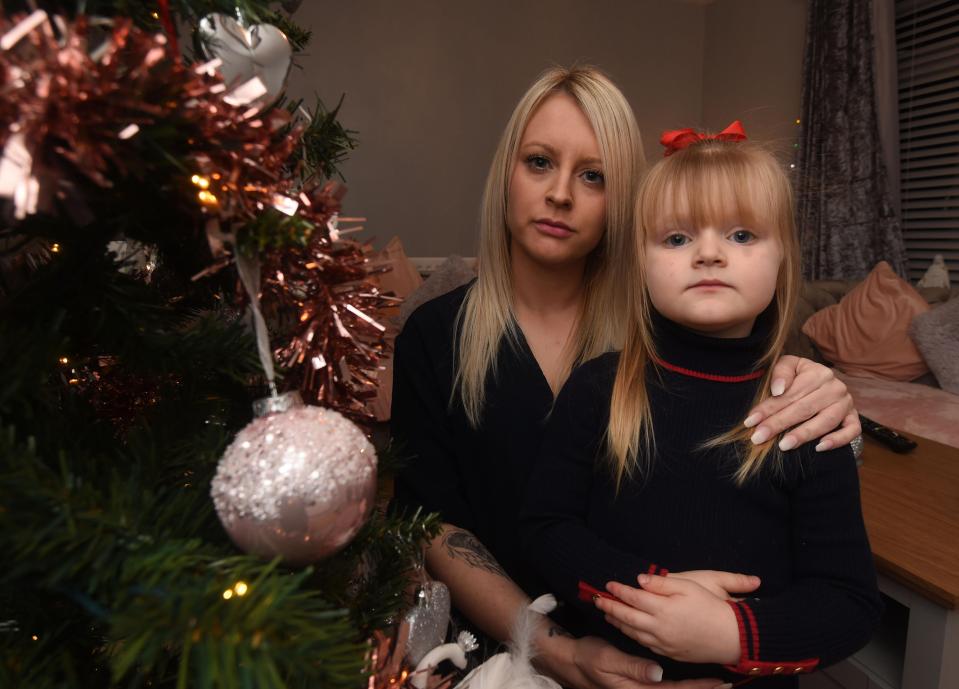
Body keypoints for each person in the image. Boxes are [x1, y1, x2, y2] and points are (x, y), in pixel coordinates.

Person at [391, 67, 861, 689]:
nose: (561, 193)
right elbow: (435, 521)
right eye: (538, 162)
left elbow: (834, 578)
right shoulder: (437, 334)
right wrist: (560, 645)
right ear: (505, 174)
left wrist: (830, 400)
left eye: (594, 176)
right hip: (506, 644)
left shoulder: (672, 323)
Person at [519, 129, 882, 687]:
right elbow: (546, 527)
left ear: (783, 258)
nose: (709, 253)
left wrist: (735, 633)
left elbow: (850, 603)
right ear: (639, 261)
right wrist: (652, 594)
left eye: (741, 235)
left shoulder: (802, 414)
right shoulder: (599, 389)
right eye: (677, 239)